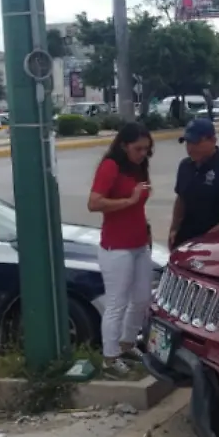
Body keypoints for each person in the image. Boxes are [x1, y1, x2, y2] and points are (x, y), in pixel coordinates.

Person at [88, 123, 155, 375]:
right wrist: (129, 200)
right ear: (124, 145)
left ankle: (128, 343)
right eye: (138, 149)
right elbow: (94, 203)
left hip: (139, 242)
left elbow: (139, 207)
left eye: (147, 150)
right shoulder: (110, 166)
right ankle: (110, 356)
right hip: (116, 246)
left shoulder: (139, 168)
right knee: (117, 302)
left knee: (141, 299)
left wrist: (146, 231)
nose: (142, 154)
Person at [169, 118, 219, 249]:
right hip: (187, 240)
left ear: (213, 140)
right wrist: (174, 229)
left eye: (195, 142)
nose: (190, 148)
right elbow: (181, 199)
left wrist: (212, 234)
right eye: (187, 142)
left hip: (217, 244)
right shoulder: (185, 166)